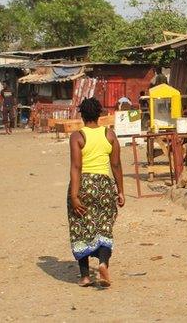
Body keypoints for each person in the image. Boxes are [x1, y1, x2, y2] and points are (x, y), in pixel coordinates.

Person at [68, 97, 124, 288]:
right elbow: (115, 165)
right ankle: (102, 264)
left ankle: (84, 276)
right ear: (100, 115)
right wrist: (121, 191)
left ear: (82, 115)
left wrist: (74, 196)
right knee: (104, 226)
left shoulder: (78, 136)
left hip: (83, 185)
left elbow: (76, 167)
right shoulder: (110, 135)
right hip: (104, 186)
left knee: (81, 226)